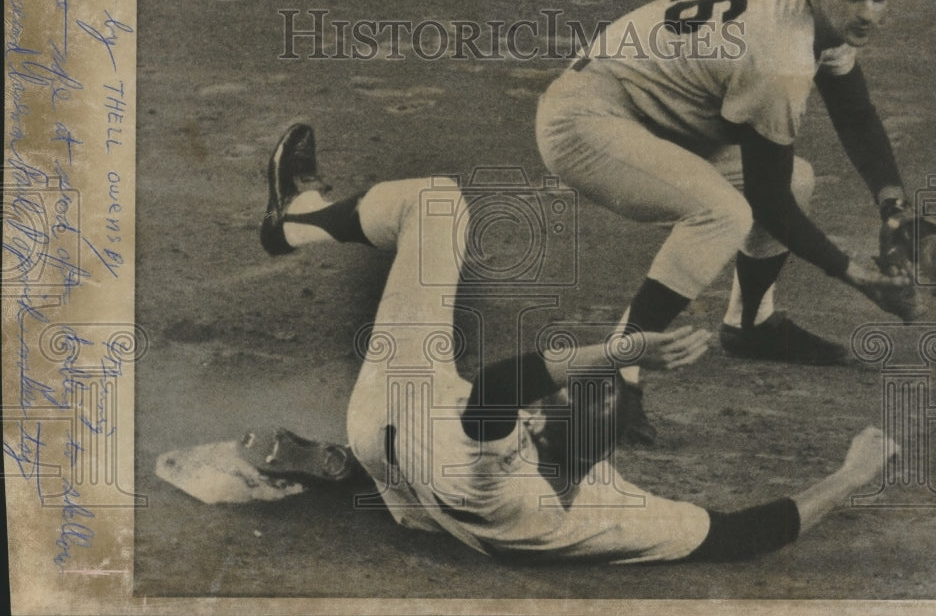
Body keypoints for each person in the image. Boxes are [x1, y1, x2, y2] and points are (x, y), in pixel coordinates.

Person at [256, 122, 898, 564]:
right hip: (420, 505)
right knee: (432, 477)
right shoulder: (603, 514)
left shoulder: (495, 469)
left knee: (436, 204)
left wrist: (621, 354)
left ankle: (295, 220)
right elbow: (745, 535)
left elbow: (498, 387)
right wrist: (853, 475)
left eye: (550, 404)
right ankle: (358, 477)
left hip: (391, 414)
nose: (543, 401)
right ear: (597, 461)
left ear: (532, 427)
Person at [535, 0, 916, 444]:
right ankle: (612, 369)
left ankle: (752, 324)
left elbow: (854, 113)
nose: (869, 11)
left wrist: (893, 206)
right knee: (726, 211)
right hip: (586, 122)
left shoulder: (815, 14)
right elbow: (765, 197)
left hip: (653, 117)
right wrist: (857, 276)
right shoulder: (779, 54)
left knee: (798, 178)